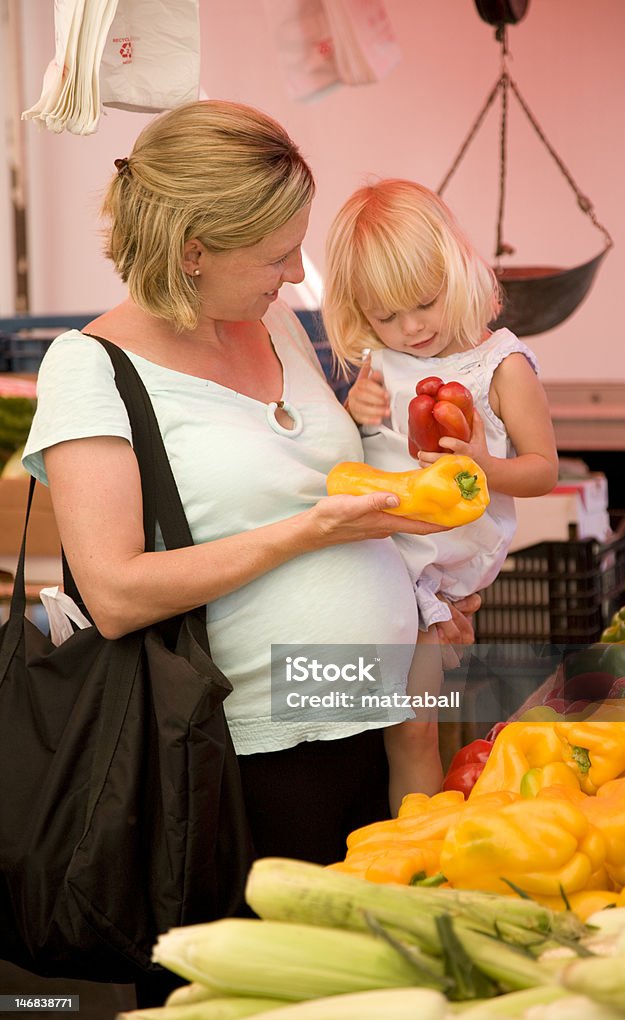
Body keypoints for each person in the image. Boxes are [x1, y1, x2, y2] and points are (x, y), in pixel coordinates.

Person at [21, 105, 480, 902]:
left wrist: (427, 586)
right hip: (239, 762)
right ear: (193, 251)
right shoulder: (90, 366)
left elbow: (330, 486)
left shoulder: (277, 328)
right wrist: (307, 533)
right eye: (277, 253)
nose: (298, 274)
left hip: (382, 724)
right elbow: (117, 593)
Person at [322, 178, 559, 812]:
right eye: (387, 316)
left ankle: (417, 851)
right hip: (374, 556)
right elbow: (364, 454)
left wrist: (486, 466)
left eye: (423, 303)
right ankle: (399, 841)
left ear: (457, 272)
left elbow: (541, 470)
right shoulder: (379, 362)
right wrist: (357, 409)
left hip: (438, 574)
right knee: (378, 722)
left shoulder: (500, 366)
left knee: (414, 728)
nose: (411, 327)